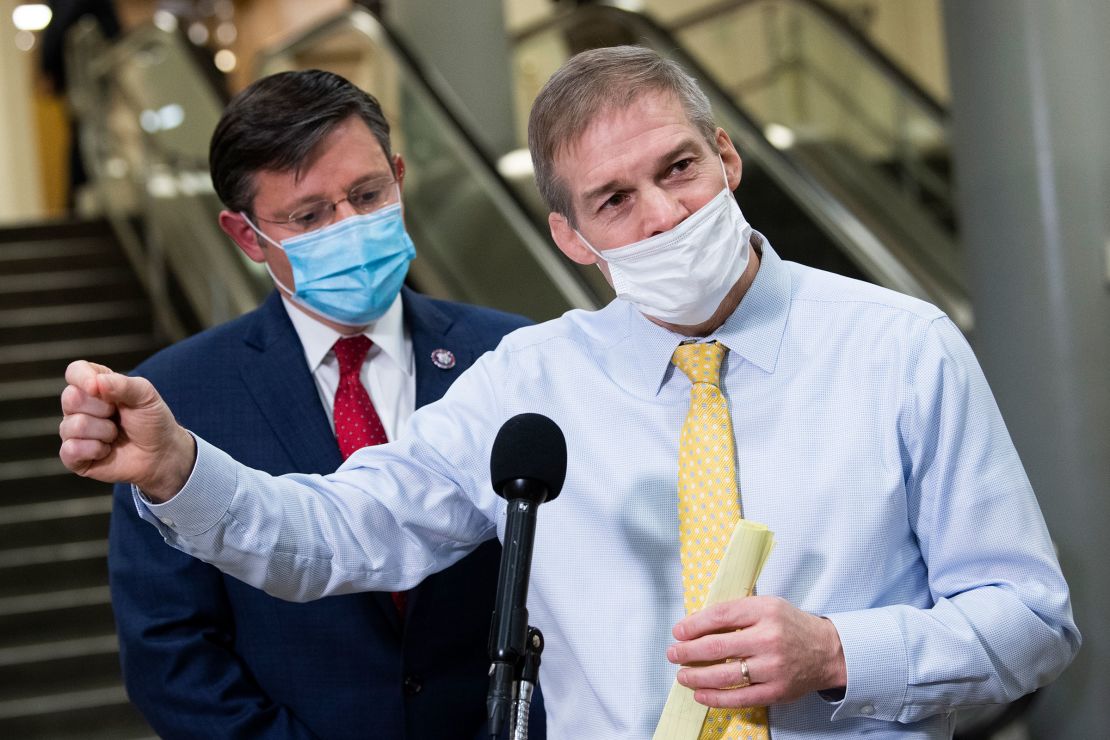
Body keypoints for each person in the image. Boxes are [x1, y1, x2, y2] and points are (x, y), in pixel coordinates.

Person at [62, 47, 1079, 739]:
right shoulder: (530, 380)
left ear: (727, 158)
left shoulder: (904, 347)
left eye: (679, 167)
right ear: (570, 237)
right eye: (613, 199)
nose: (664, 214)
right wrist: (181, 468)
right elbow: (339, 529)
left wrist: (838, 649)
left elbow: (1032, 616)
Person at [104, 69, 542, 740]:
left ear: (399, 175)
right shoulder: (177, 404)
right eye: (309, 216)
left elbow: (570, 593)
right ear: (247, 236)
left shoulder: (511, 356)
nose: (352, 225)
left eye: (368, 194)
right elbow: (171, 652)